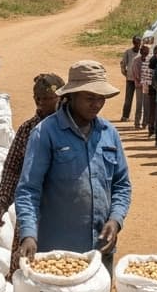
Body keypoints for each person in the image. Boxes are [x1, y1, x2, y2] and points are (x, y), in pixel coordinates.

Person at [15, 61, 132, 268]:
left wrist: (115, 219)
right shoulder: (45, 133)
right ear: (72, 96)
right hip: (58, 255)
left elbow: (121, 184)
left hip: (100, 249)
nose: (96, 104)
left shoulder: (109, 133)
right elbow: (28, 190)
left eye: (101, 98)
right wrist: (29, 234)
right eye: (90, 98)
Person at [0, 73, 65, 267]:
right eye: (39, 99)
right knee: (25, 266)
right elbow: (12, 168)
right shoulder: (27, 130)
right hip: (32, 209)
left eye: (48, 99)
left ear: (61, 98)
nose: (42, 103)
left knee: (60, 266)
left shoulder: (70, 130)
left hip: (63, 212)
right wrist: (3, 201)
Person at [119, 35, 141, 123]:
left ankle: (139, 118)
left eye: (138, 43)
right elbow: (123, 64)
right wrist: (126, 74)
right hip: (130, 79)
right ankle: (125, 116)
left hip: (139, 80)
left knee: (140, 101)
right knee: (128, 99)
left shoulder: (142, 52)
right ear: (133, 43)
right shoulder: (128, 52)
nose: (137, 45)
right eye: (136, 43)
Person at [132, 44, 149, 129]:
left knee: (146, 105)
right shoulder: (136, 60)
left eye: (147, 51)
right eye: (145, 51)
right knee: (139, 104)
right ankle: (137, 122)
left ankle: (145, 123)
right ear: (141, 51)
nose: (146, 53)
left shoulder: (148, 60)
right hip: (139, 85)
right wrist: (142, 80)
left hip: (146, 85)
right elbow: (136, 73)